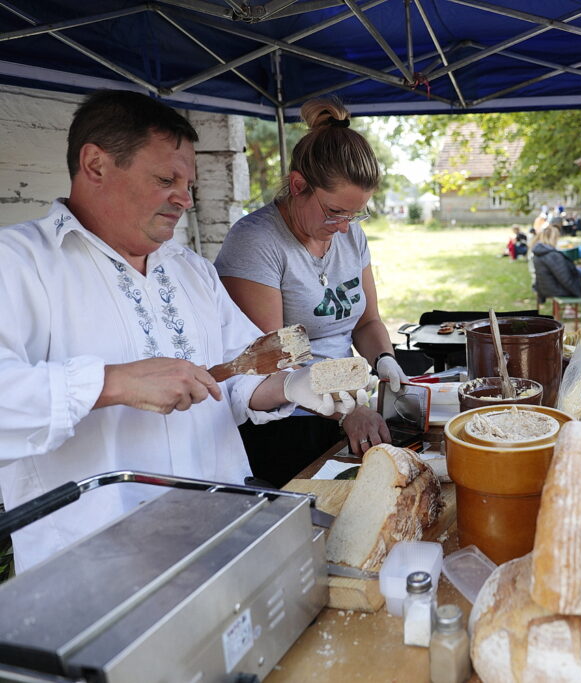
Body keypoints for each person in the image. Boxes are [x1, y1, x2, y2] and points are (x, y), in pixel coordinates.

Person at [0, 90, 347, 572]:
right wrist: (112, 382)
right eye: (166, 179)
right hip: (94, 567)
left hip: (219, 533)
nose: (185, 198)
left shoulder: (192, 271)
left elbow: (236, 376)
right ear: (96, 164)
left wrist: (293, 386)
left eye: (189, 183)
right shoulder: (17, 264)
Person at [215, 97, 405, 486]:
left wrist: (384, 360)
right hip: (285, 421)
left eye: (355, 213)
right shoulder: (257, 243)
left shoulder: (351, 235)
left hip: (348, 405)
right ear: (299, 185)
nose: (343, 227)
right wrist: (346, 411)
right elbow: (269, 363)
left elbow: (367, 320)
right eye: (334, 211)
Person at [532, 226, 581, 328]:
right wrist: (579, 291)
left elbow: (560, 271)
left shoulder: (540, 252)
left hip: (545, 287)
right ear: (553, 238)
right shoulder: (551, 255)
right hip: (554, 289)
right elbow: (565, 279)